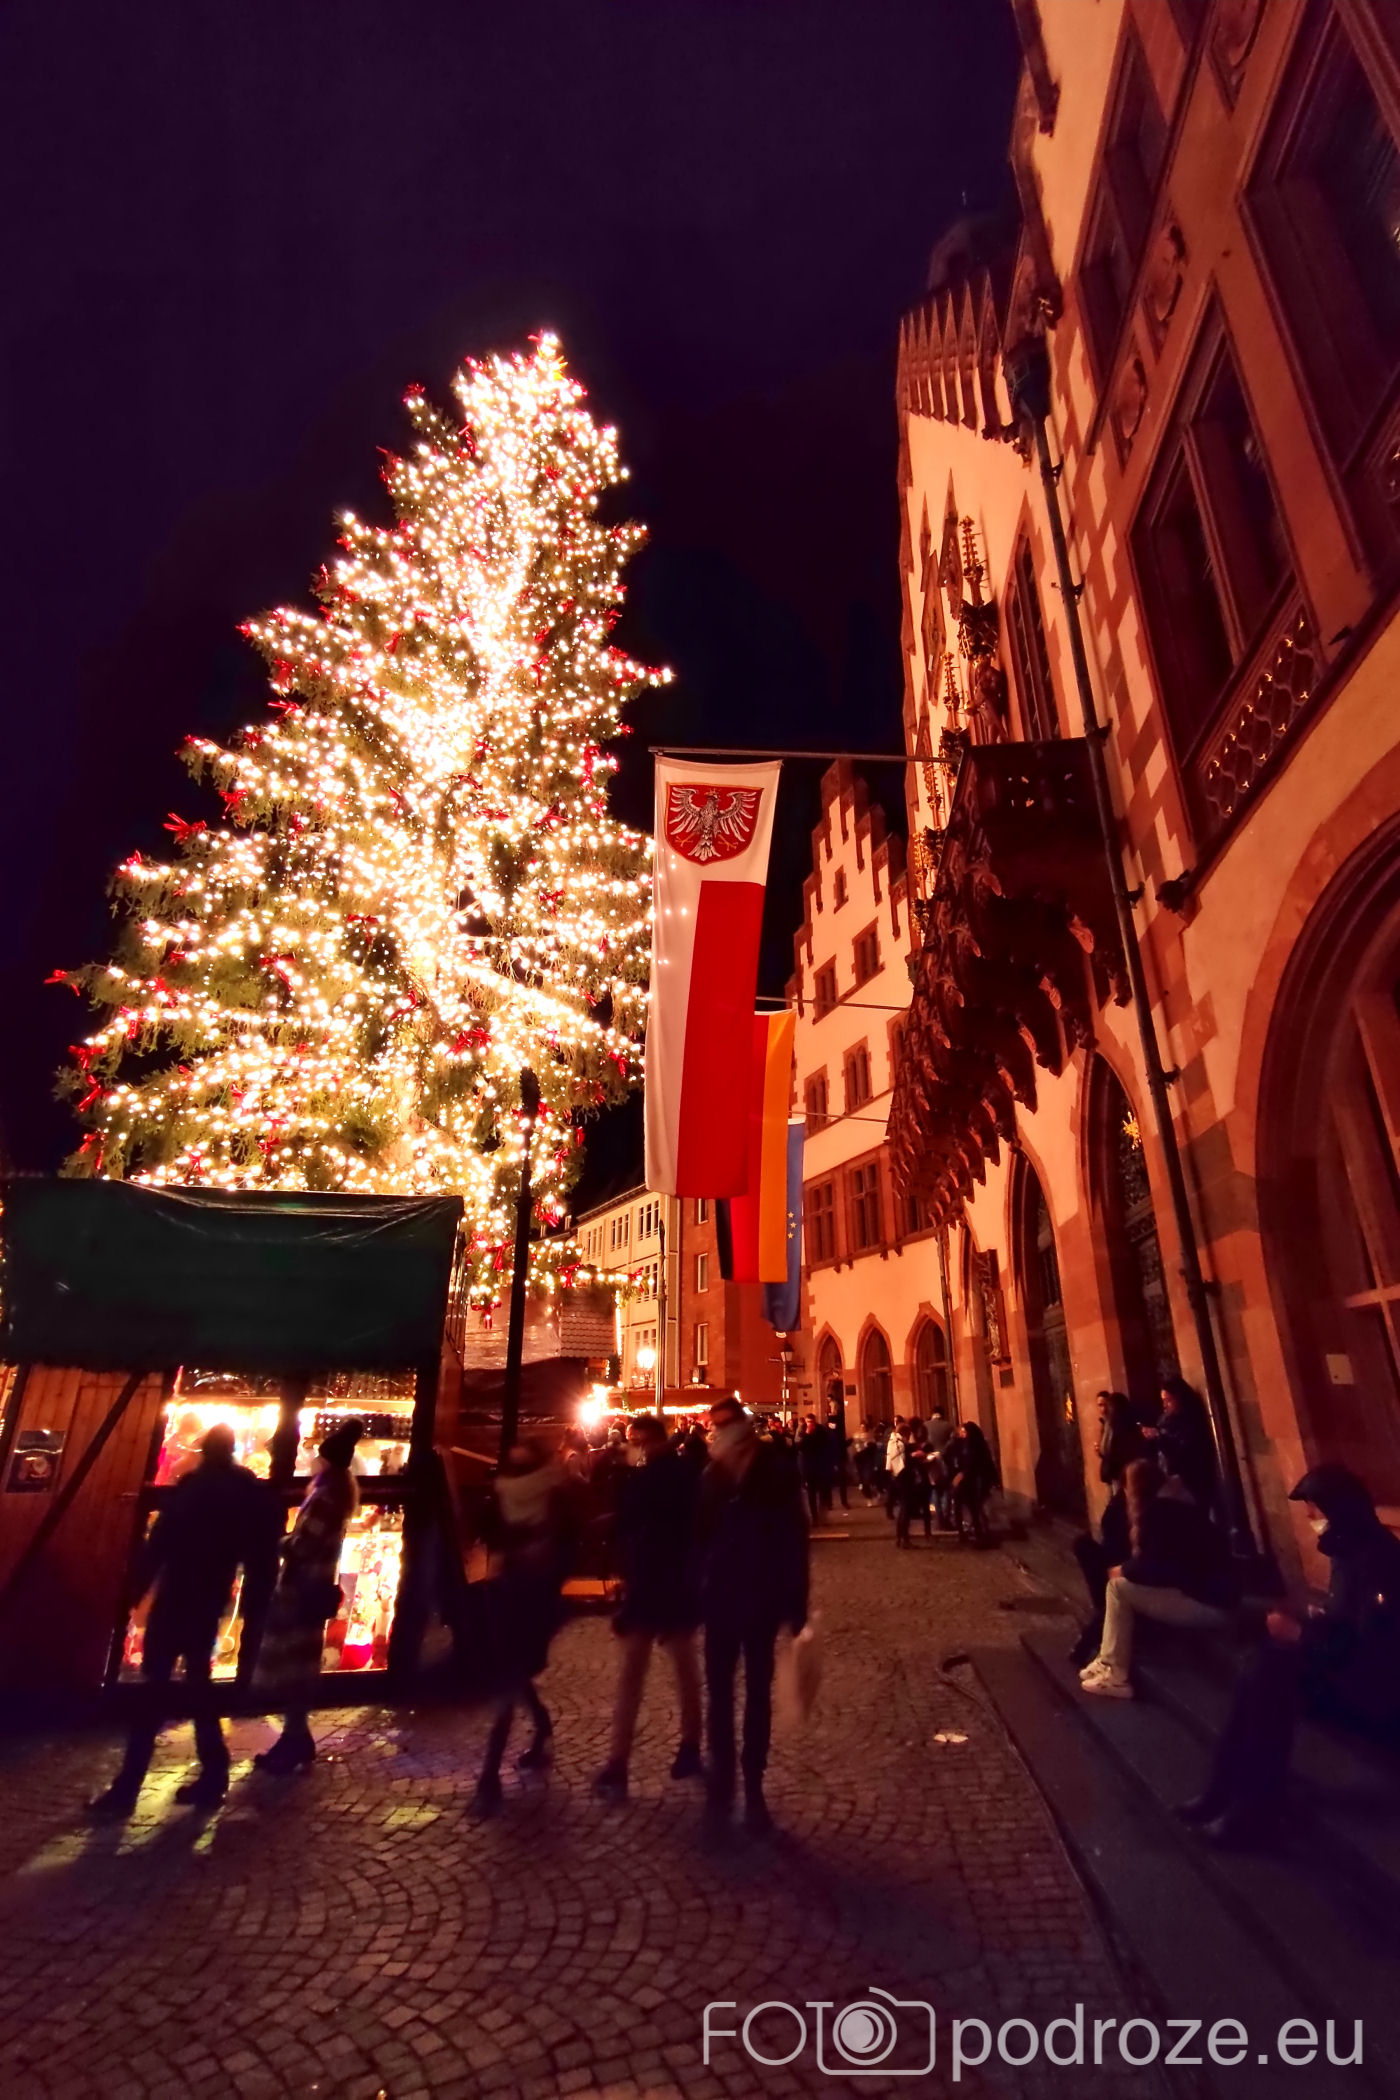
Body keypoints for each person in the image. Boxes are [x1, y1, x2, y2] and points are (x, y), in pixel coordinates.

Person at [1178, 1465, 1400, 1847]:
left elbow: (1374, 1646)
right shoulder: (1349, 1550)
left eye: (1314, 1508)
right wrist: (1321, 1619)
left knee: (1269, 1674)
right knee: (1261, 1663)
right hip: (1347, 1669)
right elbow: (1349, 1623)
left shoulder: (1377, 1558)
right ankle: (1223, 1789)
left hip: (1377, 1691)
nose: (1310, 1517)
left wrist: (1301, 1634)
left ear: (1338, 1509)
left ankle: (1252, 1812)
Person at [89, 1425, 279, 1816]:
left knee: (154, 1690)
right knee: (199, 1686)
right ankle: (214, 1772)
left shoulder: (192, 1489)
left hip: (177, 1597)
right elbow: (260, 1551)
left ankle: (128, 1787)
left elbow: (159, 1544)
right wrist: (255, 1602)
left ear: (206, 1452)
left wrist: (134, 1591)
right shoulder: (246, 1491)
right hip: (210, 1598)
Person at [697, 1397, 809, 1835]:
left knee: (757, 1693)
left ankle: (753, 1782)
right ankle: (722, 1783)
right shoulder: (712, 1475)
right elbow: (698, 1538)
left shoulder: (775, 1470)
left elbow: (794, 1538)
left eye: (723, 1428)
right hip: (722, 1599)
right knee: (720, 1696)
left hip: (761, 1598)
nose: (718, 1436)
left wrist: (796, 1605)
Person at [594, 1414, 703, 1801]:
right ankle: (690, 1745)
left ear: (649, 1440)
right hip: (677, 1584)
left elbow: (627, 1525)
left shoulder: (643, 1480)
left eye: (635, 1440)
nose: (632, 1447)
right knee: (684, 1670)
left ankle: (618, 1762)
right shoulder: (688, 1473)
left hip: (650, 1584)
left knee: (633, 1676)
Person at [252, 1417, 365, 1772]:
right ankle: (295, 1739)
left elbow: (305, 1545)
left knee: (293, 1670)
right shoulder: (337, 1496)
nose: (315, 1460)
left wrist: (280, 1541)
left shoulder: (325, 1498)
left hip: (302, 1590)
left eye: (320, 1456)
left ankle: (294, 1741)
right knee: (297, 1669)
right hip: (311, 1589)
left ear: (327, 1462)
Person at [468, 1438, 574, 1818]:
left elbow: (569, 1544)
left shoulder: (555, 1495)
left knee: (511, 1677)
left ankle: (489, 1778)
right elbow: (488, 1532)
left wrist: (546, 1565)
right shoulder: (504, 1494)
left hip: (534, 1597)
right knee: (513, 1673)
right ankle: (541, 1724)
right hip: (506, 1592)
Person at [1080, 1458, 1237, 1698]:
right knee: (1119, 1586)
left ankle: (1115, 1672)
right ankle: (1107, 1659)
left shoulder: (1162, 1513)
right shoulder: (1175, 1507)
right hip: (1206, 1594)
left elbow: (1159, 1567)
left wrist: (1125, 1569)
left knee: (1117, 1587)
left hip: (1210, 1602)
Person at [1145, 1376, 1218, 1514]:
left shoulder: (1190, 1421)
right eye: (1163, 1401)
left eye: (1168, 1400)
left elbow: (1184, 1453)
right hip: (1170, 1480)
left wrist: (1159, 1437)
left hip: (1190, 1482)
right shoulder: (1166, 1421)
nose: (1165, 1405)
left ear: (1179, 1398)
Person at [948, 1418, 999, 1544]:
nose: (962, 1435)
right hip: (967, 1480)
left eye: (964, 1432)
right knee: (966, 1506)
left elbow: (980, 1463)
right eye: (961, 1432)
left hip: (976, 1479)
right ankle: (968, 1532)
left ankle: (979, 1532)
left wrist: (962, 1474)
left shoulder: (976, 1445)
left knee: (976, 1506)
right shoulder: (960, 1444)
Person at [891, 1440, 932, 1548]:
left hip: (902, 1482)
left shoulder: (897, 1447)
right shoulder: (904, 1451)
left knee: (904, 1510)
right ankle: (904, 1539)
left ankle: (901, 1538)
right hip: (906, 1483)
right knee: (905, 1510)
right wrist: (915, 1457)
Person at [797, 1414, 835, 1524]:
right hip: (808, 1467)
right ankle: (814, 1517)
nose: (810, 1424)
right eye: (808, 1422)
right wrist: (807, 1434)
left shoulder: (821, 1431)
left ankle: (822, 1516)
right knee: (811, 1493)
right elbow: (800, 1447)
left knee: (823, 1492)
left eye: (811, 1422)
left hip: (821, 1466)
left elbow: (827, 1447)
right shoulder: (802, 1431)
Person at [884, 1417, 908, 1518]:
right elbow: (894, 1455)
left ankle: (890, 1511)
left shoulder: (893, 1439)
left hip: (893, 1468)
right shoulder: (898, 1441)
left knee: (892, 1491)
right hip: (898, 1468)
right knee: (898, 1493)